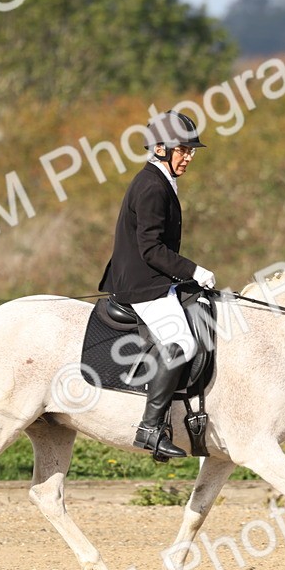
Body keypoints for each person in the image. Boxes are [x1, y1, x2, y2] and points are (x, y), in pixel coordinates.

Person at [97, 110, 216, 459]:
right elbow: (151, 249)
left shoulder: (159, 179)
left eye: (192, 151)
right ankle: (150, 428)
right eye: (184, 150)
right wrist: (194, 270)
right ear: (162, 148)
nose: (189, 156)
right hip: (141, 282)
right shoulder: (151, 186)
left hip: (153, 277)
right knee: (181, 340)